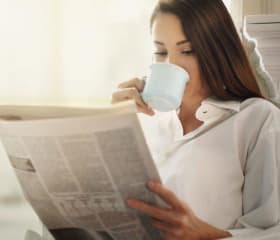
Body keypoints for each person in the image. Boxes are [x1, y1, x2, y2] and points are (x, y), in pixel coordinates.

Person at [111, 0, 280, 239]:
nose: (170, 64)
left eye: (188, 51)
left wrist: (207, 234)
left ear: (218, 53)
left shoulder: (257, 119)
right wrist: (111, 122)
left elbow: (273, 231)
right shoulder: (146, 119)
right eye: (161, 52)